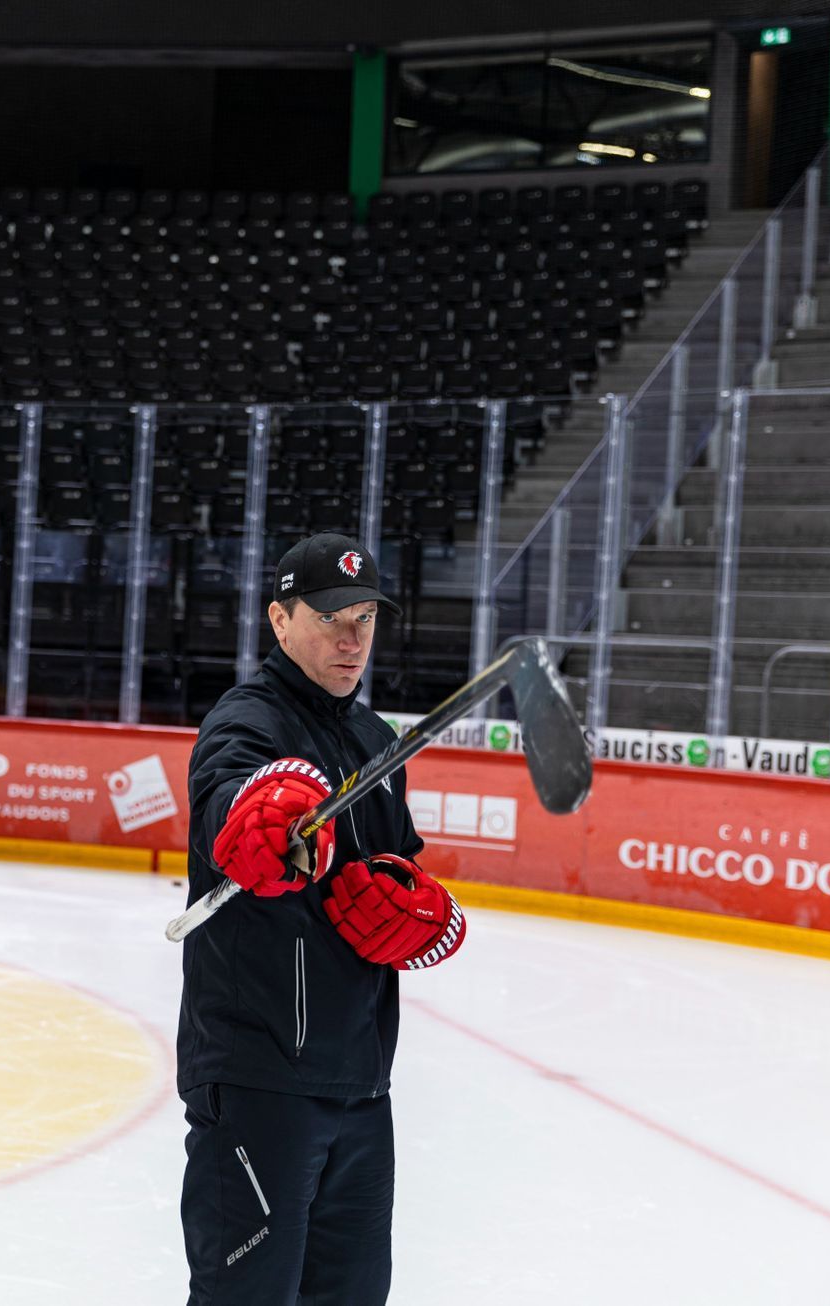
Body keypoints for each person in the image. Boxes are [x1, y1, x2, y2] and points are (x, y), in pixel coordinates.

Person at [177, 531, 466, 1306]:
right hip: (259, 1078)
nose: (352, 638)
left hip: (363, 1089)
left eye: (366, 617)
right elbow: (225, 804)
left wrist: (422, 914)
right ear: (278, 620)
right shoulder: (245, 721)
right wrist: (257, 813)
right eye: (333, 615)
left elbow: (401, 873)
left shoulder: (374, 743)